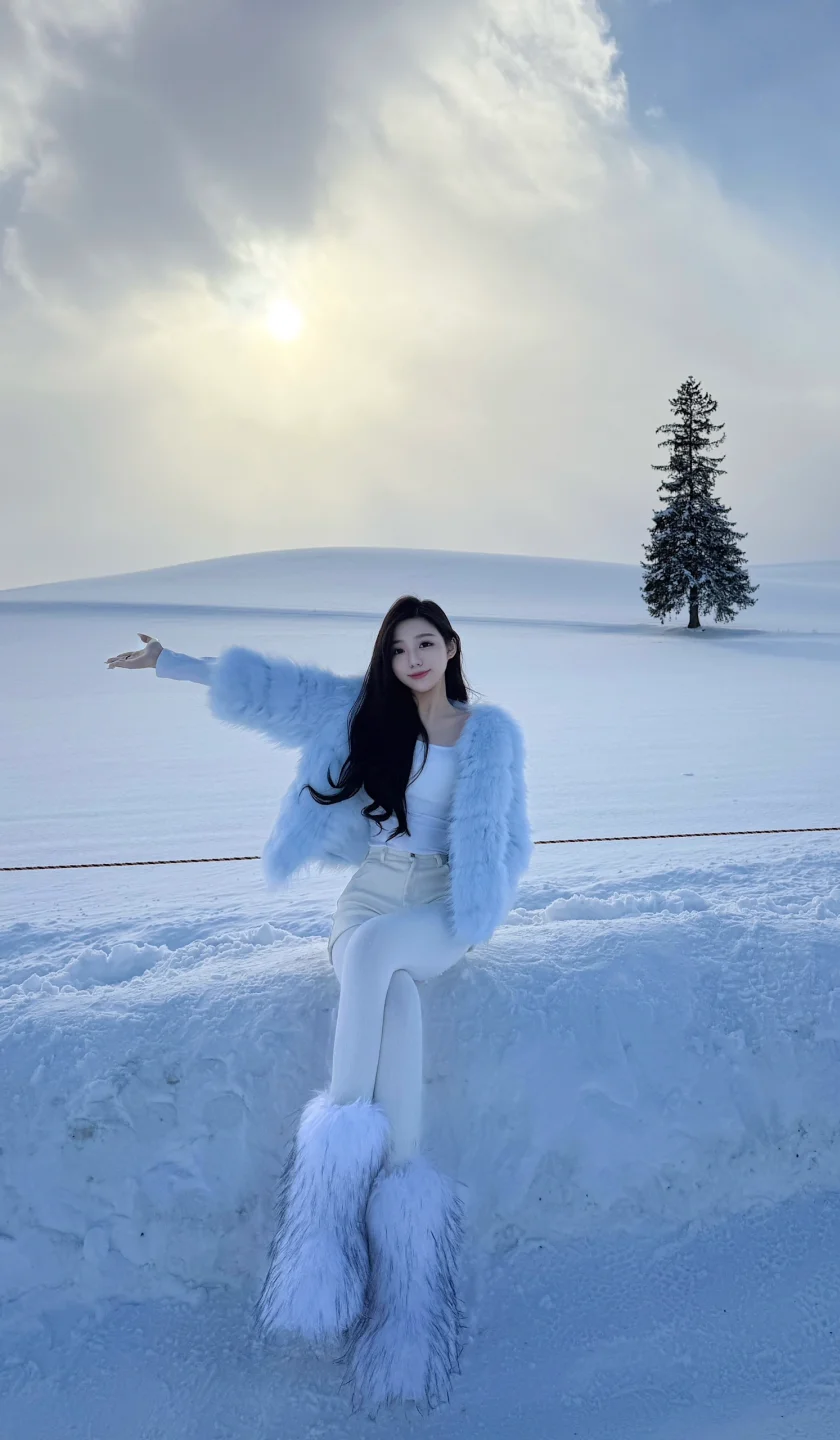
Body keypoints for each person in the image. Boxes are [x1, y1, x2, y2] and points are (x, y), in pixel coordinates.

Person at [106, 595, 532, 1413]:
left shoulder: (491, 733)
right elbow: (273, 694)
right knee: (395, 1002)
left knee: (384, 961)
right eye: (399, 645)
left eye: (426, 642)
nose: (413, 656)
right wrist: (174, 663)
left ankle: (325, 1223)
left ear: (450, 647)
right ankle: (406, 1286)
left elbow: (509, 837)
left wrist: (486, 899)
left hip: (441, 909)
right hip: (367, 897)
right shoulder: (365, 713)